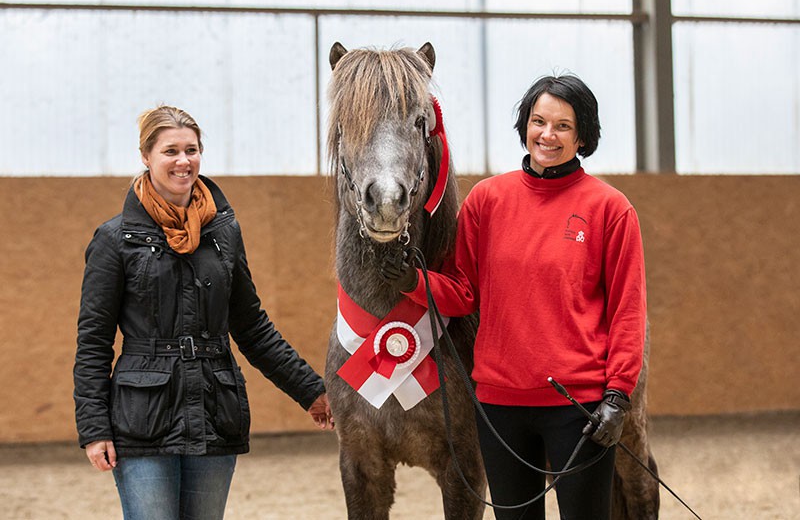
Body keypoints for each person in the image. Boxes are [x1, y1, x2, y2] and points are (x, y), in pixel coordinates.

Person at [381, 74, 646, 519]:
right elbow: (463, 294)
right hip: (500, 407)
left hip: (578, 408)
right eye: (538, 121)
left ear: (583, 135)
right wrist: (413, 280)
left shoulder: (611, 209)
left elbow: (627, 311)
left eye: (563, 125)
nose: (548, 135)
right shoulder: (487, 200)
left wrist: (618, 395)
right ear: (525, 125)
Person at [74, 105, 334, 520]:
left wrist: (311, 391)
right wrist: (94, 429)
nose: (183, 161)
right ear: (146, 156)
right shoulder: (114, 239)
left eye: (191, 150)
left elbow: (252, 327)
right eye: (170, 151)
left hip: (215, 409)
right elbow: (93, 342)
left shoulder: (223, 232)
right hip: (142, 418)